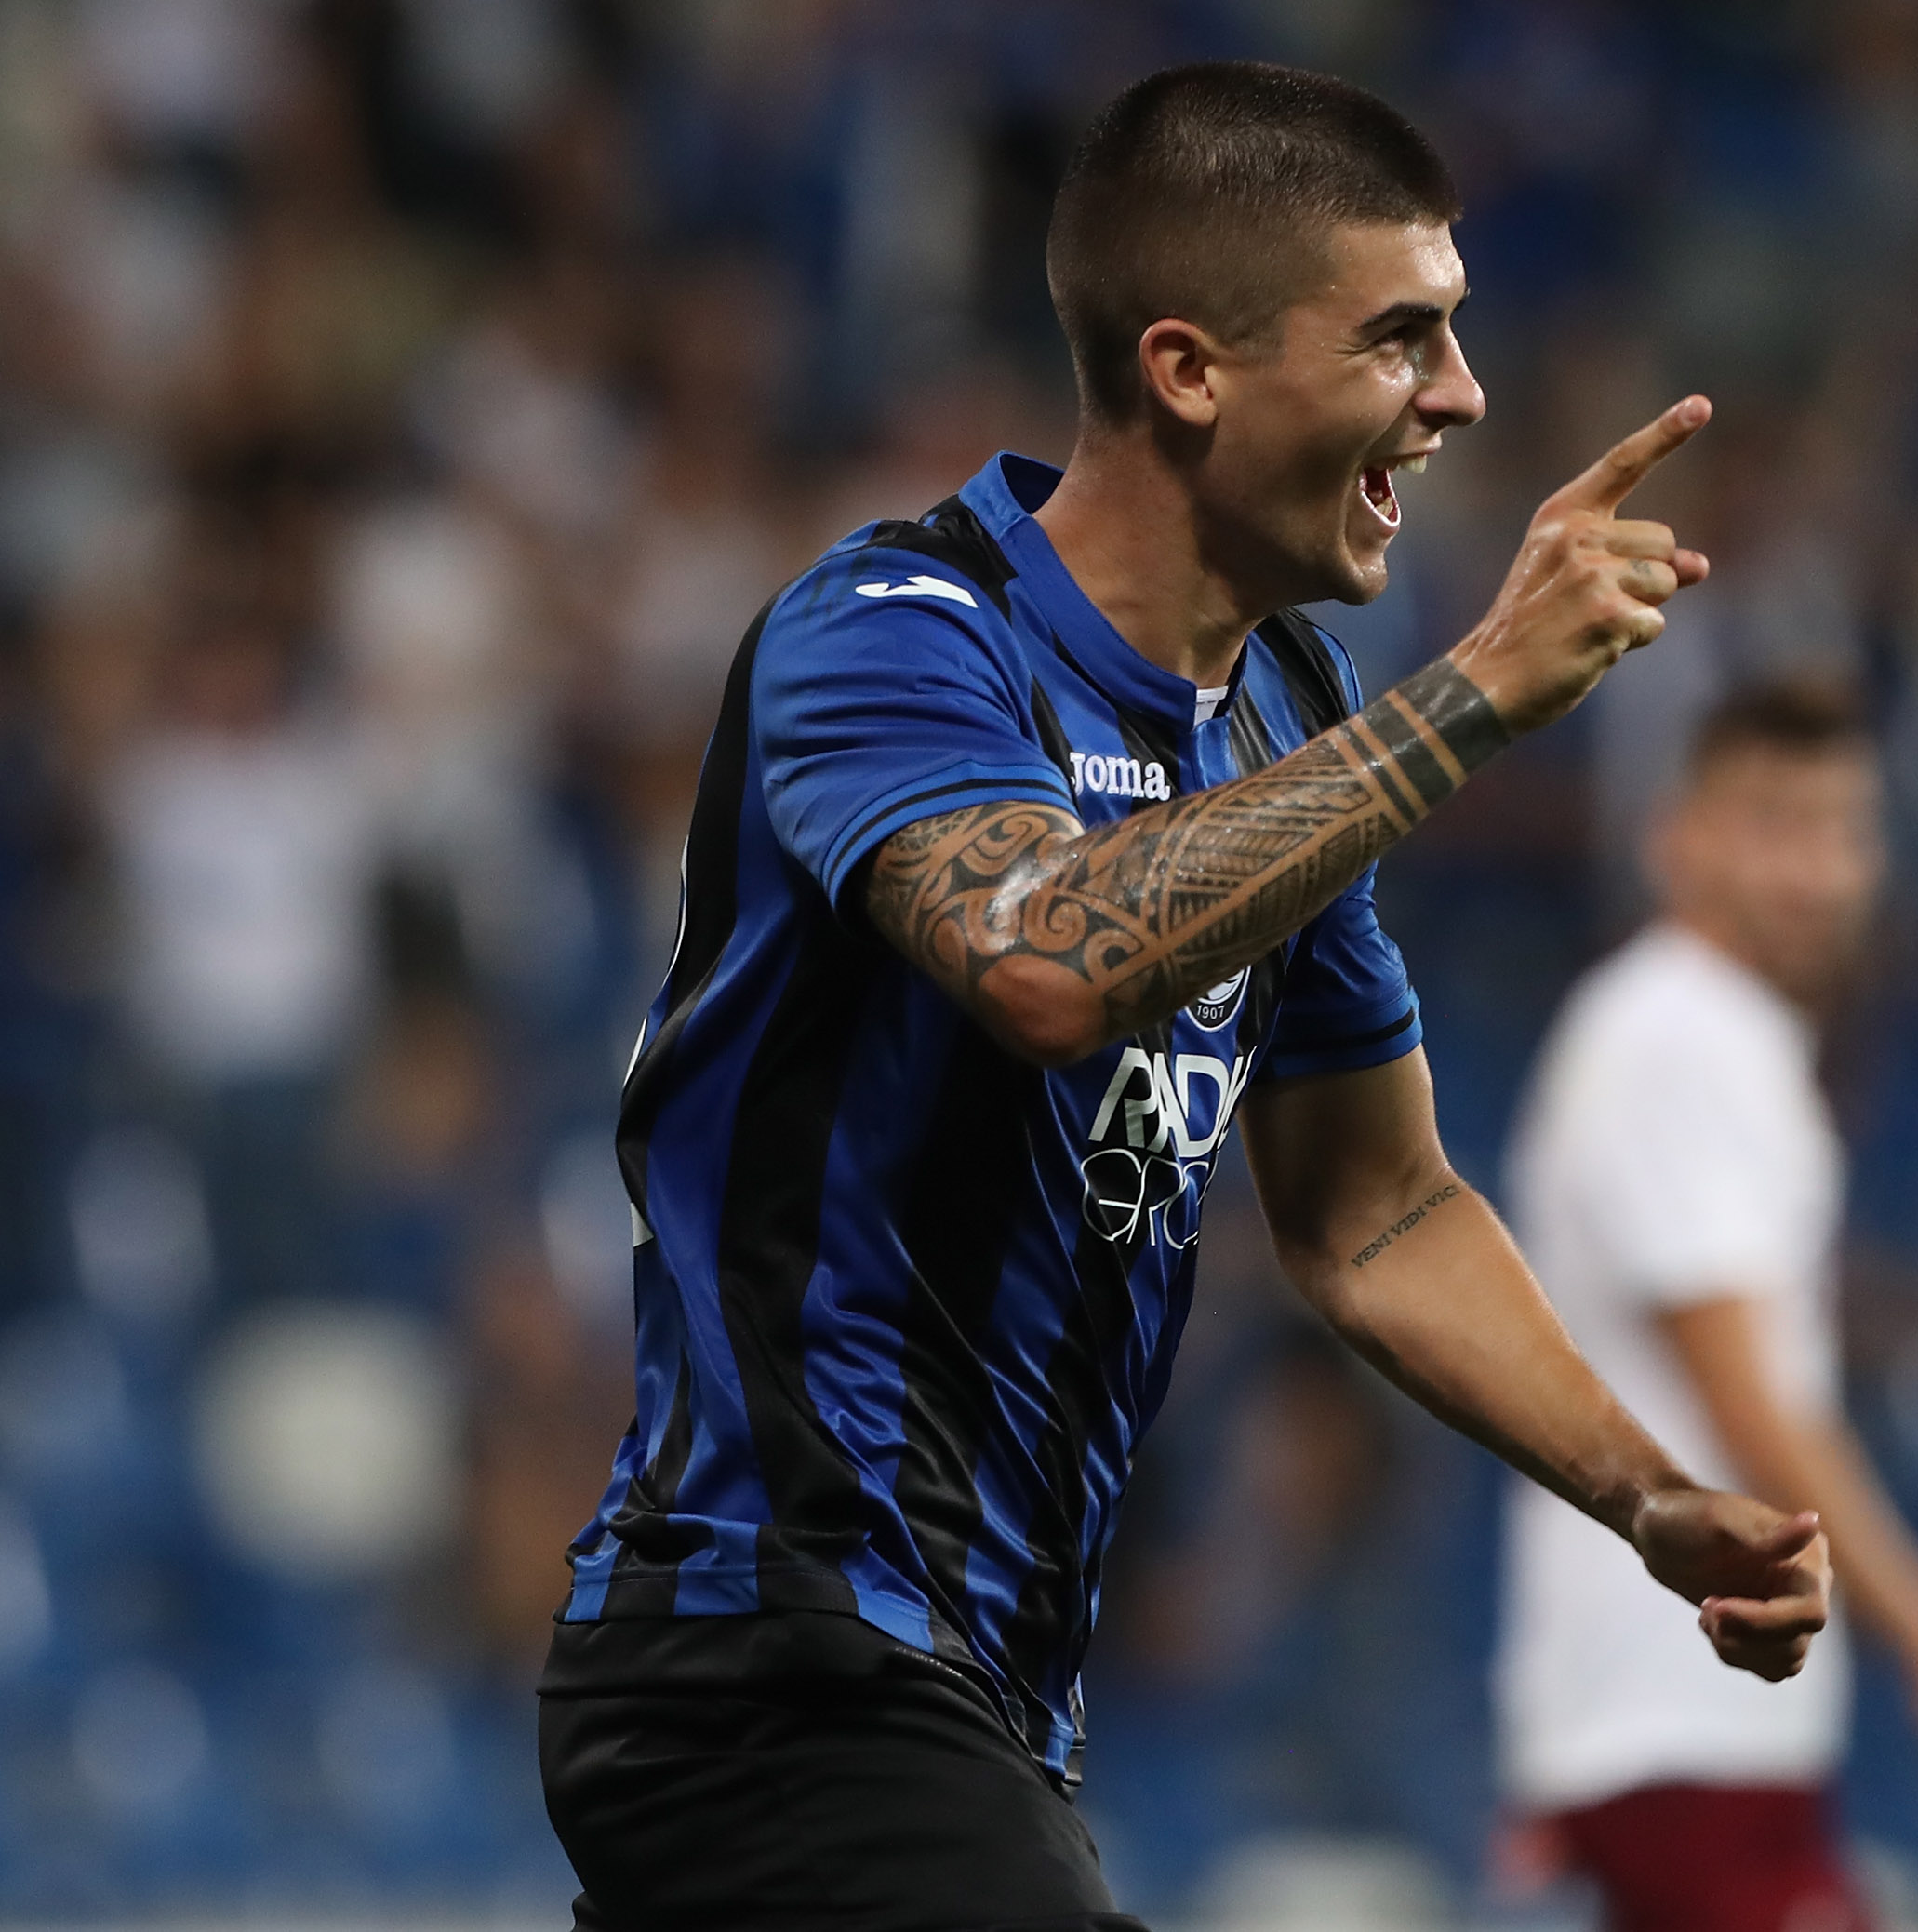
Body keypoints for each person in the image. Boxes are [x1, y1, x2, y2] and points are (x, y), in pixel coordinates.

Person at [538, 61, 1832, 1932]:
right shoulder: (896, 634)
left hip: (977, 1706)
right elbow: (1049, 961)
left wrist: (1643, 1497)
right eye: (1404, 339)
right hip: (776, 1660)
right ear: (1189, 367)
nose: (1461, 397)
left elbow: (1375, 1208)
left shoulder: (1283, 718)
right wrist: (1465, 698)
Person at [1498, 682, 1918, 1932]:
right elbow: (1757, 1413)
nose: (1813, 866)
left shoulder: (1711, 1037)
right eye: (1771, 821)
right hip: (1674, 1707)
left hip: (1698, 1715)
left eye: (1841, 827)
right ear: (1675, 834)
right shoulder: (1678, 1034)